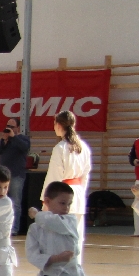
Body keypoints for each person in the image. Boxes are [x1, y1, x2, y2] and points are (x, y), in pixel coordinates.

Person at [42, 110, 92, 260]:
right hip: (78, 193)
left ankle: (63, 265)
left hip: (62, 195)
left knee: (61, 235)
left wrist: (47, 199)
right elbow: (86, 175)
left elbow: (55, 177)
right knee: (77, 235)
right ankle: (76, 265)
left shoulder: (60, 148)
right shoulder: (83, 147)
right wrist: (81, 192)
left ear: (58, 125)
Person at [0, 116, 31, 234]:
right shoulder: (5, 140)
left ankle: (14, 228)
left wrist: (14, 137)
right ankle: (1, 227)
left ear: (18, 128)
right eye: (8, 126)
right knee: (0, 201)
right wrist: (4, 141)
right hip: (2, 176)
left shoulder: (23, 138)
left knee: (15, 203)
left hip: (16, 175)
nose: (9, 128)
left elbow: (25, 148)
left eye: (12, 127)